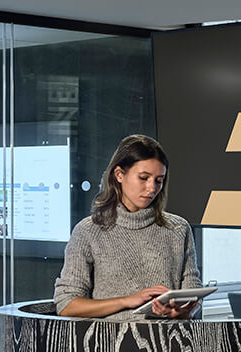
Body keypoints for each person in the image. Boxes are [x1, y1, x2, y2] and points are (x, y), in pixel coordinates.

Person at [54, 134, 201, 320]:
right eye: (143, 178)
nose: (152, 188)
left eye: (158, 180)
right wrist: (127, 301)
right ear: (119, 175)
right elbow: (67, 304)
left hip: (171, 343)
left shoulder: (178, 229)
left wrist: (183, 311)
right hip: (111, 344)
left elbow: (193, 295)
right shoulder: (89, 231)